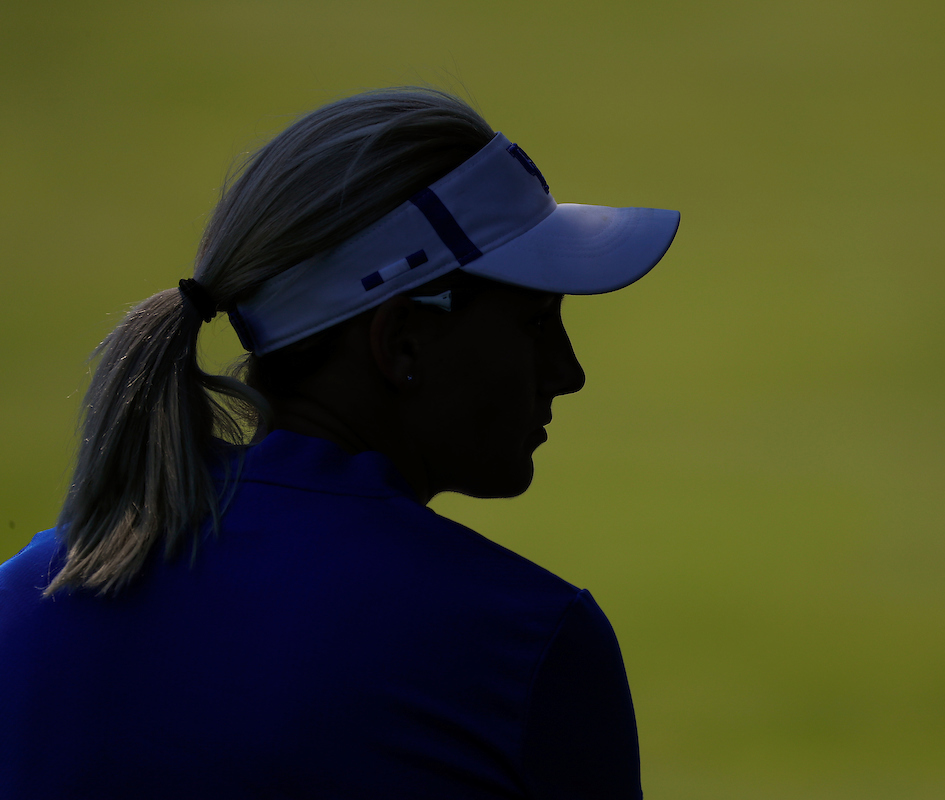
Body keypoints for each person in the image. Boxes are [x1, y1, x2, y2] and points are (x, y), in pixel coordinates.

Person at [0, 88, 679, 799]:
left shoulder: (24, 597)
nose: (567, 372)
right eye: (536, 323)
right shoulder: (523, 645)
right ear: (401, 341)